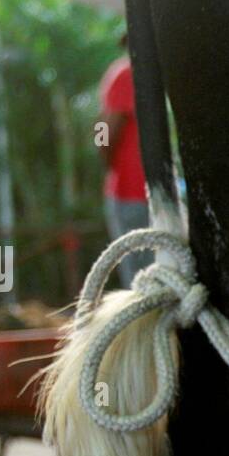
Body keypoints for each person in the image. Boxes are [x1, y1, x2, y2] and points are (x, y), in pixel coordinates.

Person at [99, 34, 151, 288]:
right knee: (141, 279)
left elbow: (100, 130)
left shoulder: (135, 75)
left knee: (145, 276)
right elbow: (105, 131)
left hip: (138, 193)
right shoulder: (127, 73)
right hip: (130, 193)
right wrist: (111, 166)